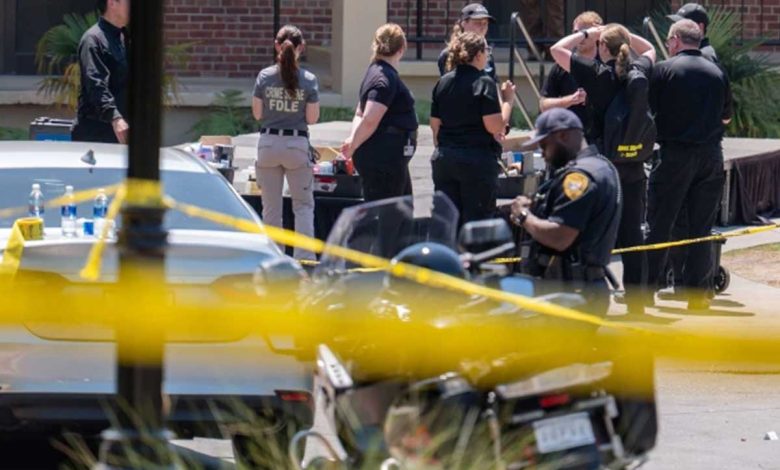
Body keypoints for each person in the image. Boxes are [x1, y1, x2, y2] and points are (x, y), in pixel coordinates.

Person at [550, 23, 656, 315]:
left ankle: (588, 298)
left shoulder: (596, 74)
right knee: (633, 234)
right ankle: (637, 303)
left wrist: (587, 34)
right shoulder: (639, 71)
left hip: (604, 167)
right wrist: (624, 32)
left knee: (592, 232)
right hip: (634, 164)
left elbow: (557, 50)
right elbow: (650, 49)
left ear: (601, 47)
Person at [645, 19, 732, 311]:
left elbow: (648, 110)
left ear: (675, 40)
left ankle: (645, 291)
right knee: (701, 228)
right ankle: (697, 296)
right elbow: (726, 117)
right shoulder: (717, 71)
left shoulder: (664, 70)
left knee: (660, 223)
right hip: (711, 156)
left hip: (675, 155)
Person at [510, 108, 621, 316]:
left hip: (573, 293)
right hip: (578, 289)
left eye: (545, 145)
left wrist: (524, 216)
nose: (543, 153)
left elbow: (560, 236)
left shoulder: (578, 178)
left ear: (563, 136)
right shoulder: (600, 166)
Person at [430, 32, 515, 225]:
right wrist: (508, 100)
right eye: (486, 50)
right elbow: (495, 126)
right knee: (478, 223)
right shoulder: (484, 82)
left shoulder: (443, 82)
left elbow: (435, 126)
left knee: (449, 221)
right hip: (476, 161)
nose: (488, 55)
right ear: (478, 55)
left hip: (445, 159)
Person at [252, 25, 320, 261]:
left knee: (271, 209)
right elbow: (312, 118)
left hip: (268, 144)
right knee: (303, 207)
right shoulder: (309, 80)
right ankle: (305, 259)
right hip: (296, 146)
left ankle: (273, 261)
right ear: (302, 47)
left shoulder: (264, 76)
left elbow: (258, 114)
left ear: (276, 46)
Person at [341, 24, 418, 202]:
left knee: (403, 207)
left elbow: (360, 113)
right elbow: (369, 119)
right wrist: (353, 144)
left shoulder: (375, 72)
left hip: (391, 158)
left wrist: (354, 139)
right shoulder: (383, 79)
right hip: (384, 158)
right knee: (388, 209)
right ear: (402, 48)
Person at [71, 0, 130, 144]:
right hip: (97, 133)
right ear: (112, 3)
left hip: (121, 129)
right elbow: (96, 84)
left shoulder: (124, 37)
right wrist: (115, 117)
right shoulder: (93, 40)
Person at [539, 11, 603, 142]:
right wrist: (571, 100)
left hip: (599, 140)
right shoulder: (561, 65)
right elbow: (544, 105)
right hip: (568, 139)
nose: (581, 37)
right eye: (576, 33)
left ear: (597, 34)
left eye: (586, 33)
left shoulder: (606, 64)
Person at [437, 3, 498, 83]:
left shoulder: (487, 54)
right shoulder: (449, 54)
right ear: (464, 23)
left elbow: (493, 84)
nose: (482, 27)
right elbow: (448, 86)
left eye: (485, 23)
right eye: (478, 23)